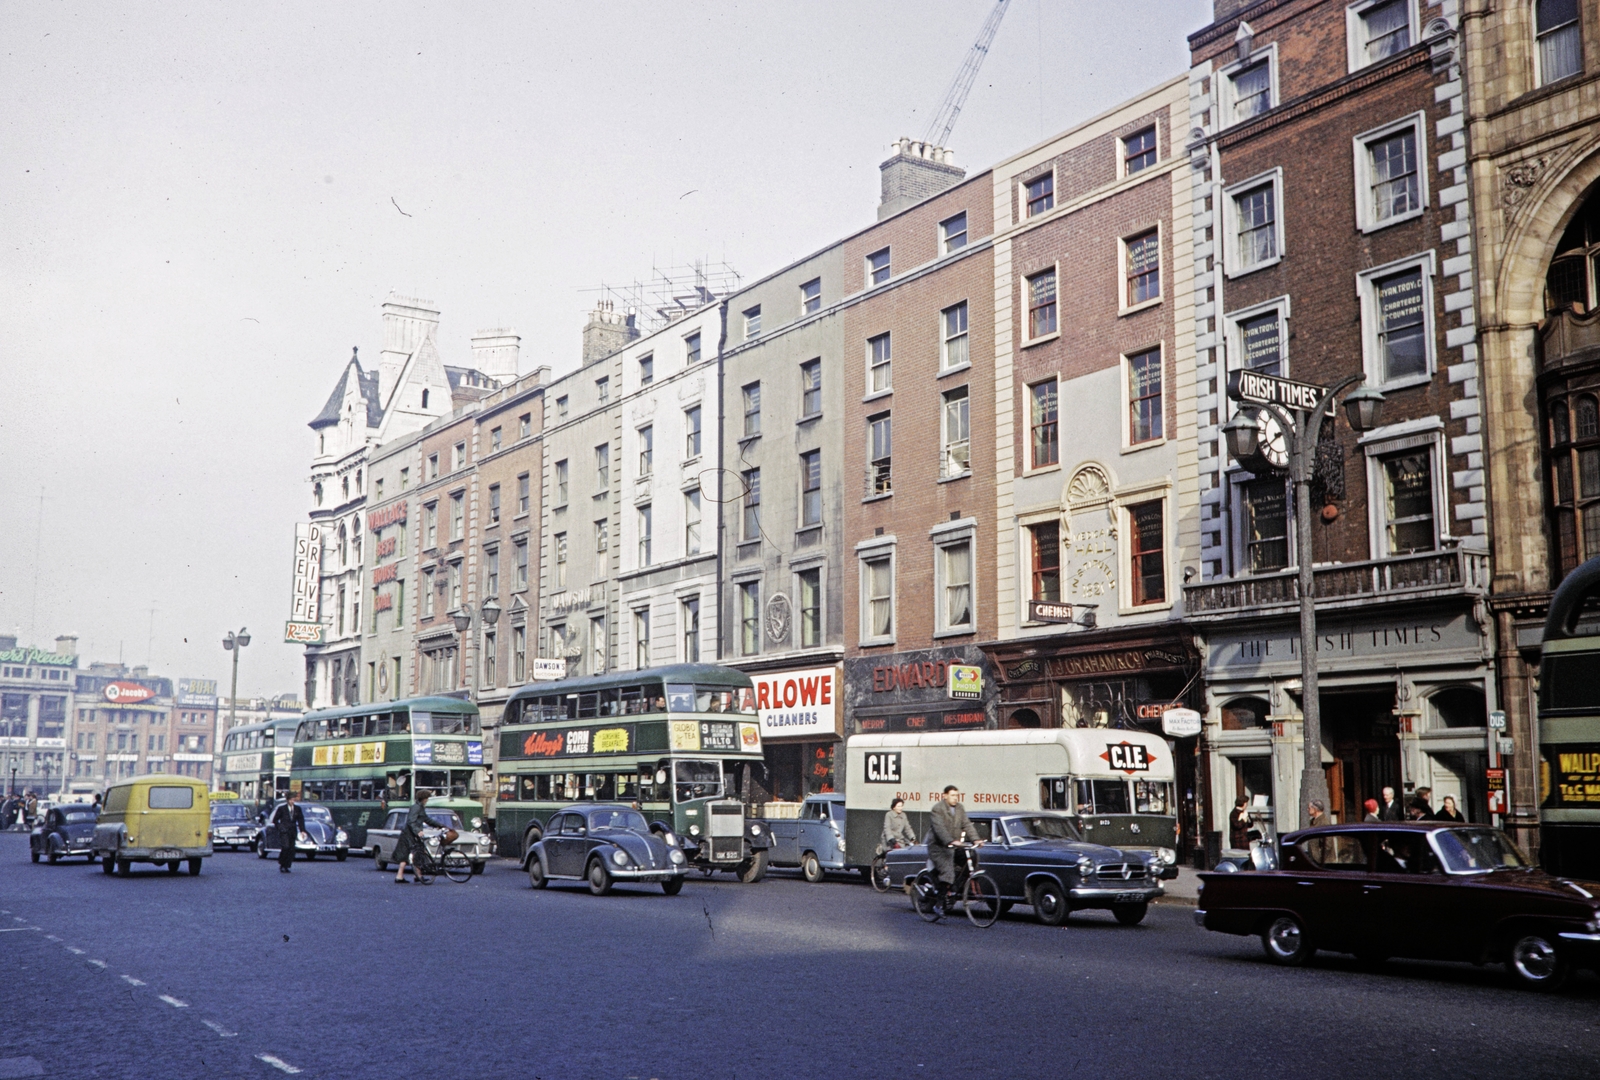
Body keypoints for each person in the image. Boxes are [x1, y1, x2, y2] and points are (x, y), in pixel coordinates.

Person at [928, 785, 983, 905]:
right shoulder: (937, 809)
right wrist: (950, 841)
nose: (955, 798)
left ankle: (956, 888)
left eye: (957, 796)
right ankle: (939, 904)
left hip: (954, 846)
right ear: (945, 796)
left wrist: (976, 839)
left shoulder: (960, 808)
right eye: (952, 795)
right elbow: (939, 829)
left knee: (972, 856)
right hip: (939, 847)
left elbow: (967, 824)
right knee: (947, 872)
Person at [394, 789, 448, 885]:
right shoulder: (416, 807)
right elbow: (411, 821)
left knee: (417, 854)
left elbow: (426, 819)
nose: (427, 800)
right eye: (427, 798)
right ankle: (400, 876)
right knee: (406, 855)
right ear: (423, 798)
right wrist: (418, 831)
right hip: (409, 834)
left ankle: (417, 875)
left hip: (413, 834)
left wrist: (439, 825)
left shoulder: (420, 807)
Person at [271, 794, 305, 874]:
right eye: (291, 800)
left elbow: (301, 820)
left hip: (293, 831)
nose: (292, 802)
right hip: (284, 831)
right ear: (287, 800)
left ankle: (287, 866)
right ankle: (282, 864)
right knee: (285, 847)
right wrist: (280, 827)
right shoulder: (281, 809)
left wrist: (302, 830)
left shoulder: (297, 809)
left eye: (294, 800)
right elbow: (275, 820)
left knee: (291, 849)